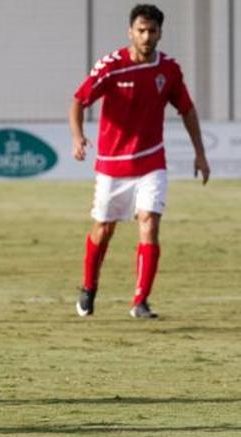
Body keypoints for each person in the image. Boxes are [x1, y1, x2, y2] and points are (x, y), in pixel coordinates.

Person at [70, 3, 210, 319]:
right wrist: (78, 137)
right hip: (112, 165)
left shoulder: (169, 70)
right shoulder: (111, 67)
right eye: (141, 31)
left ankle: (140, 301)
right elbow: (79, 101)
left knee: (150, 222)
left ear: (160, 33)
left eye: (152, 31)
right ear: (130, 32)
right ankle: (89, 287)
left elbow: (186, 110)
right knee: (104, 228)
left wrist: (200, 153)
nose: (146, 37)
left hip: (151, 162)